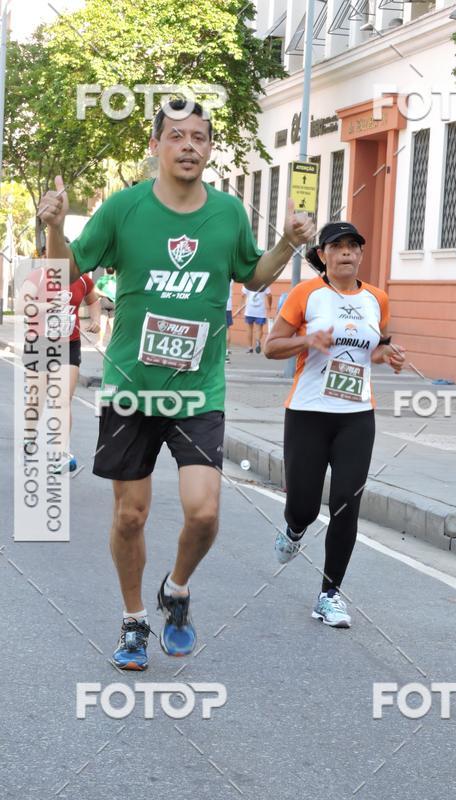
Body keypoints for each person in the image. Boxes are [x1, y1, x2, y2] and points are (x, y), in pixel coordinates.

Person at [37, 99, 314, 670]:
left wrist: (287, 243)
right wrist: (54, 229)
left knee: (205, 513)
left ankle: (178, 589)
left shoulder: (229, 212)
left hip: (198, 389)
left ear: (209, 149)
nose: (189, 145)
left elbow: (252, 274)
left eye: (199, 137)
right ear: (156, 146)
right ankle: (135, 620)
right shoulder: (123, 209)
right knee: (130, 516)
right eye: (177, 136)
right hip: (131, 387)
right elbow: (63, 272)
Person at [264, 221, 405, 628]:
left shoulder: (377, 299)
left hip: (357, 416)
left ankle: (330, 594)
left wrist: (389, 356)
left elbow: (376, 349)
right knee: (304, 507)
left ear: (361, 254)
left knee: (347, 502)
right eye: (337, 246)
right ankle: (293, 529)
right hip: (308, 413)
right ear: (322, 255)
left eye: (353, 246)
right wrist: (307, 341)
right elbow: (271, 347)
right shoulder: (305, 294)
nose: (346, 252)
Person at [17, 250, 101, 471]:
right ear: (46, 257)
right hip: (40, 343)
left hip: (68, 344)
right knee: (37, 397)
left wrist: (95, 320)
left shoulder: (82, 279)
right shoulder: (39, 276)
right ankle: (29, 438)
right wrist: (49, 306)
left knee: (63, 400)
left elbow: (93, 300)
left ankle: (60, 453)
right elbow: (21, 306)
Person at [242, 285, 272, 353]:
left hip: (249, 309)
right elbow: (269, 295)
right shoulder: (264, 283)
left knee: (249, 329)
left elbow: (243, 294)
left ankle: (250, 348)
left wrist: (240, 305)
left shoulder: (248, 282)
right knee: (259, 329)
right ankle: (257, 341)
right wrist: (270, 306)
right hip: (260, 310)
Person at [95, 269, 117, 350]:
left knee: (103, 322)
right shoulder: (117, 279)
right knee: (112, 324)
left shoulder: (102, 279)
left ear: (106, 270)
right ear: (114, 271)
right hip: (114, 302)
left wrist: (105, 294)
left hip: (105, 301)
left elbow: (95, 290)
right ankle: (113, 342)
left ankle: (100, 342)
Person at [225, 279, 233, 363]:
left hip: (219, 305)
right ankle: (226, 353)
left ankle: (225, 353)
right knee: (227, 329)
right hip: (228, 306)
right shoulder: (231, 279)